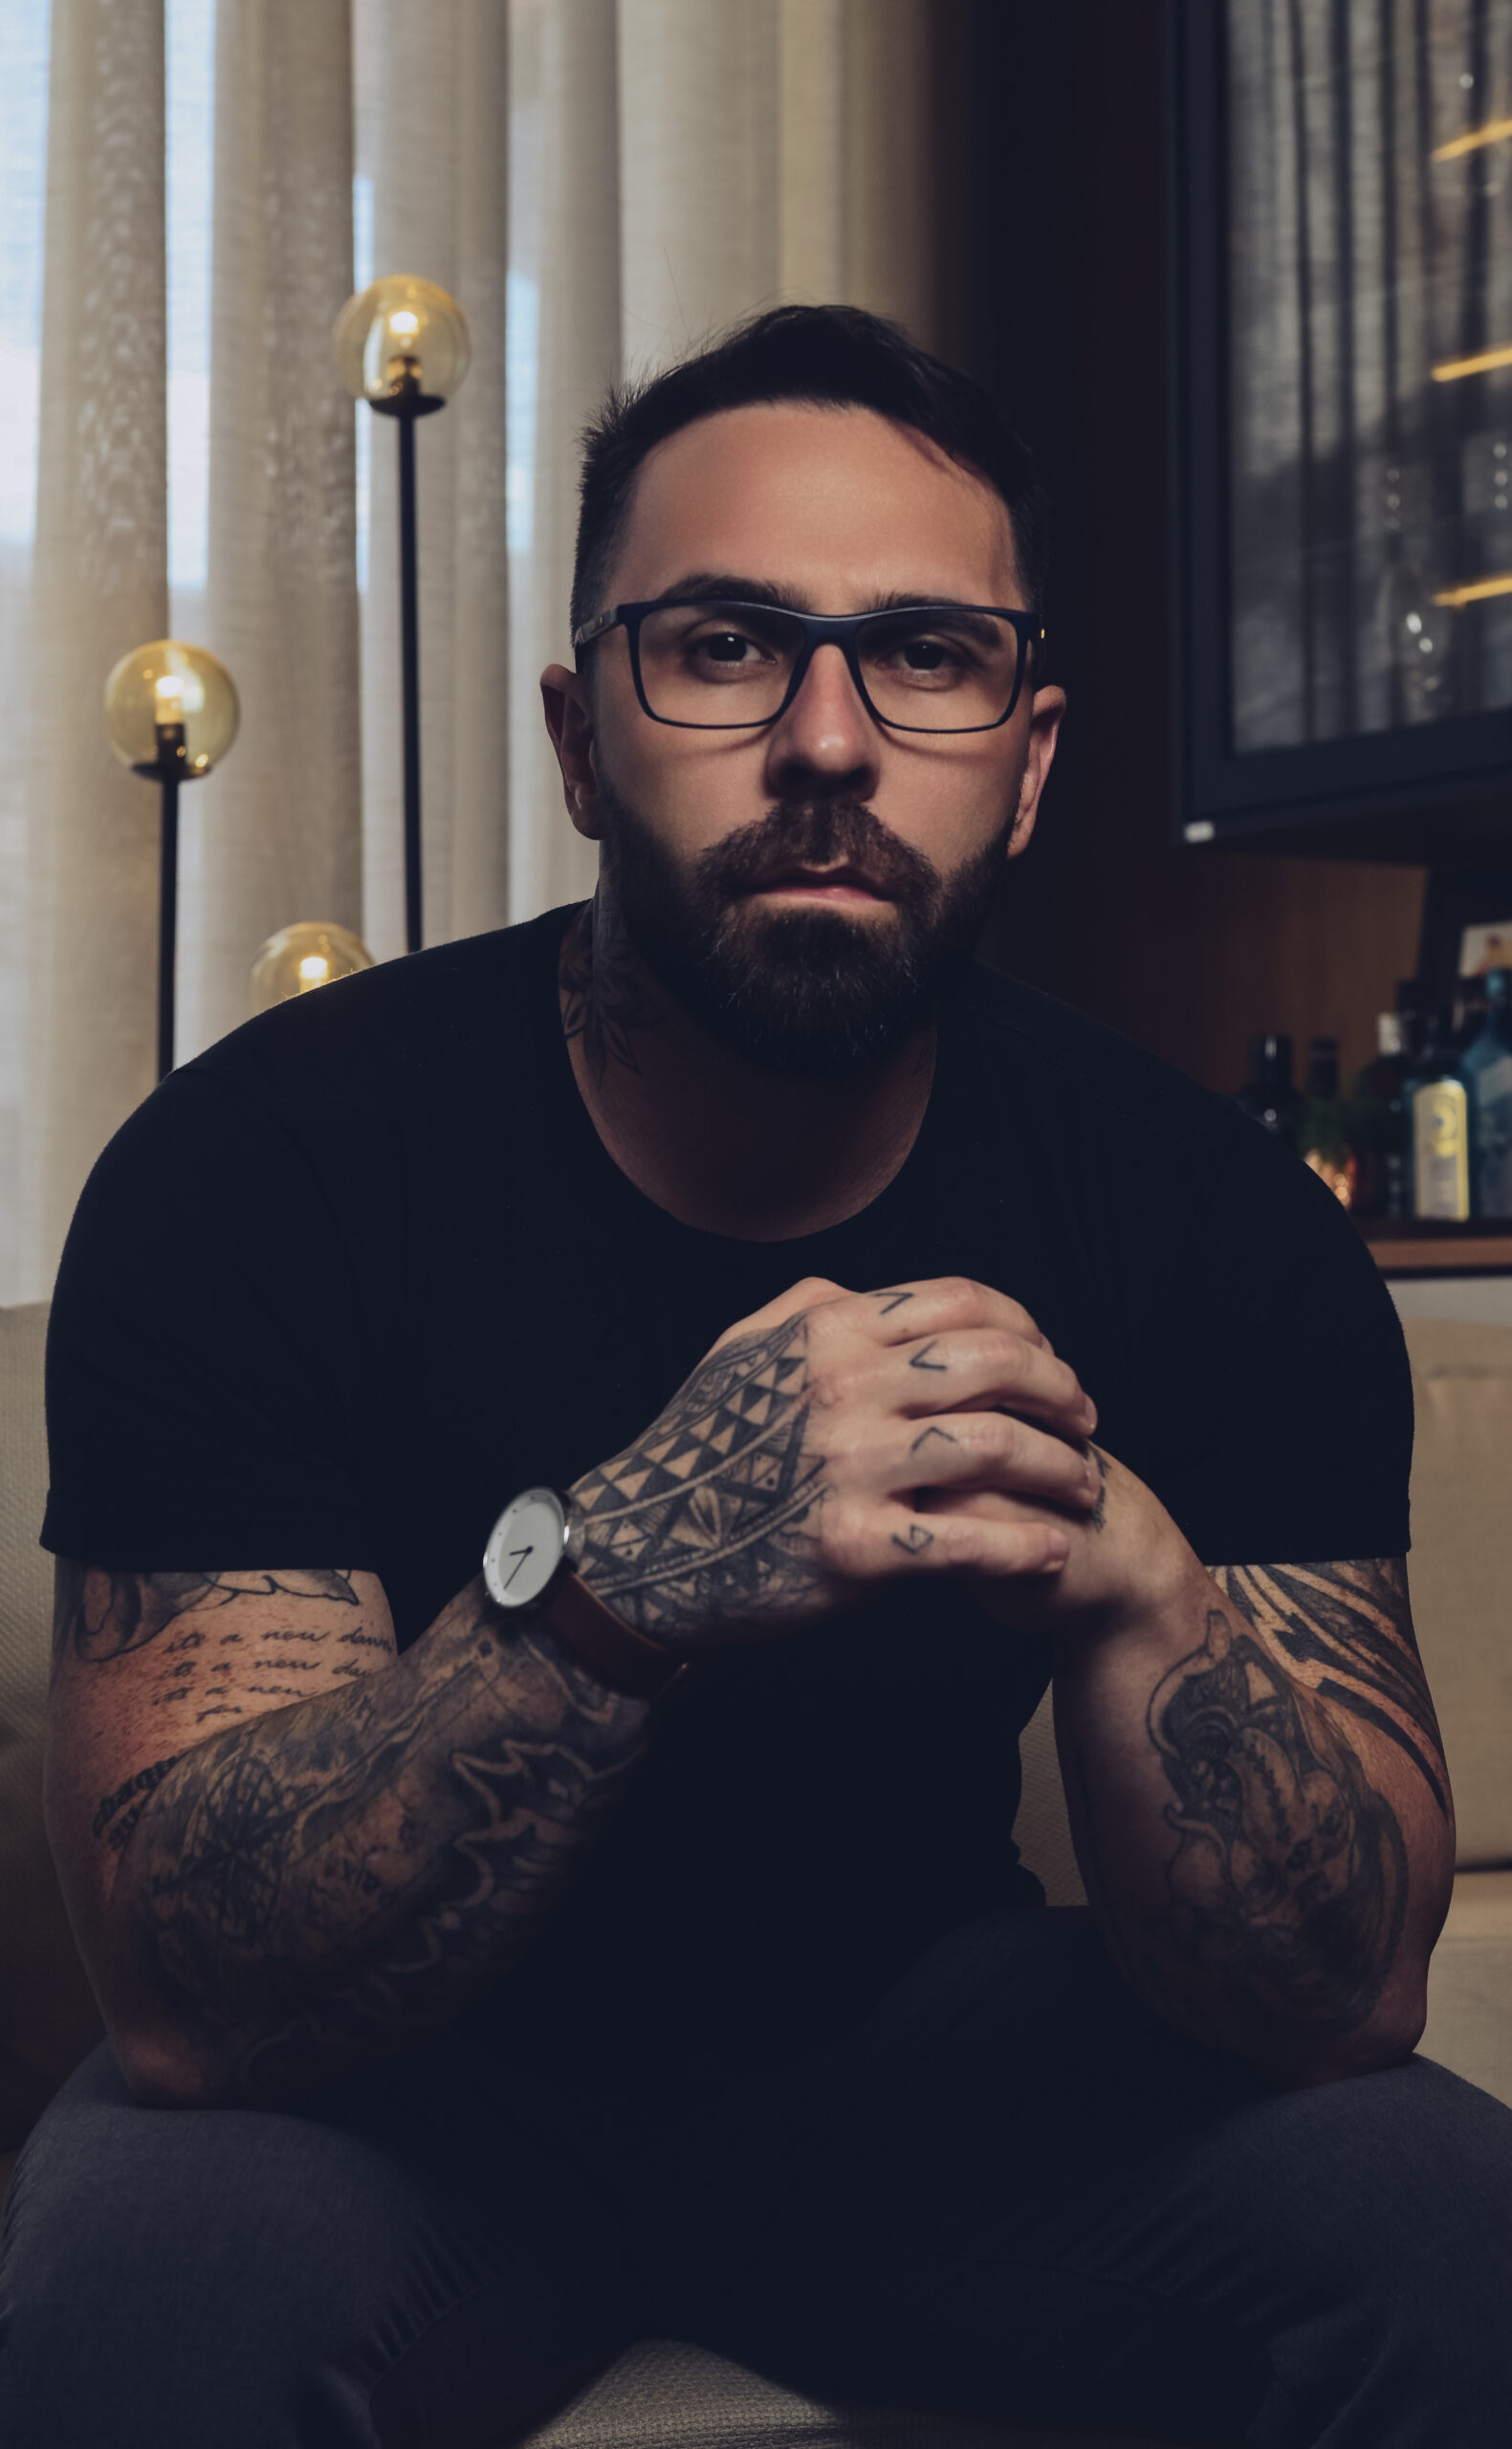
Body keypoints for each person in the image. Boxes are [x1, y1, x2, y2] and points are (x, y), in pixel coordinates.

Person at [3, 304, 1508, 2448]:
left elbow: (1341, 1995)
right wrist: (615, 1574)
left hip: (922, 2054)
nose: (825, 739)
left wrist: (1142, 1591)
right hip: (412, 2100)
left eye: (924, 654)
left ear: (1028, 754)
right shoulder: (262, 1168)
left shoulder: (1207, 1216)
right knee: (136, 2308)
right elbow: (184, 1993)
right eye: (721, 645)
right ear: (577, 736)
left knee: (1448, 2224)